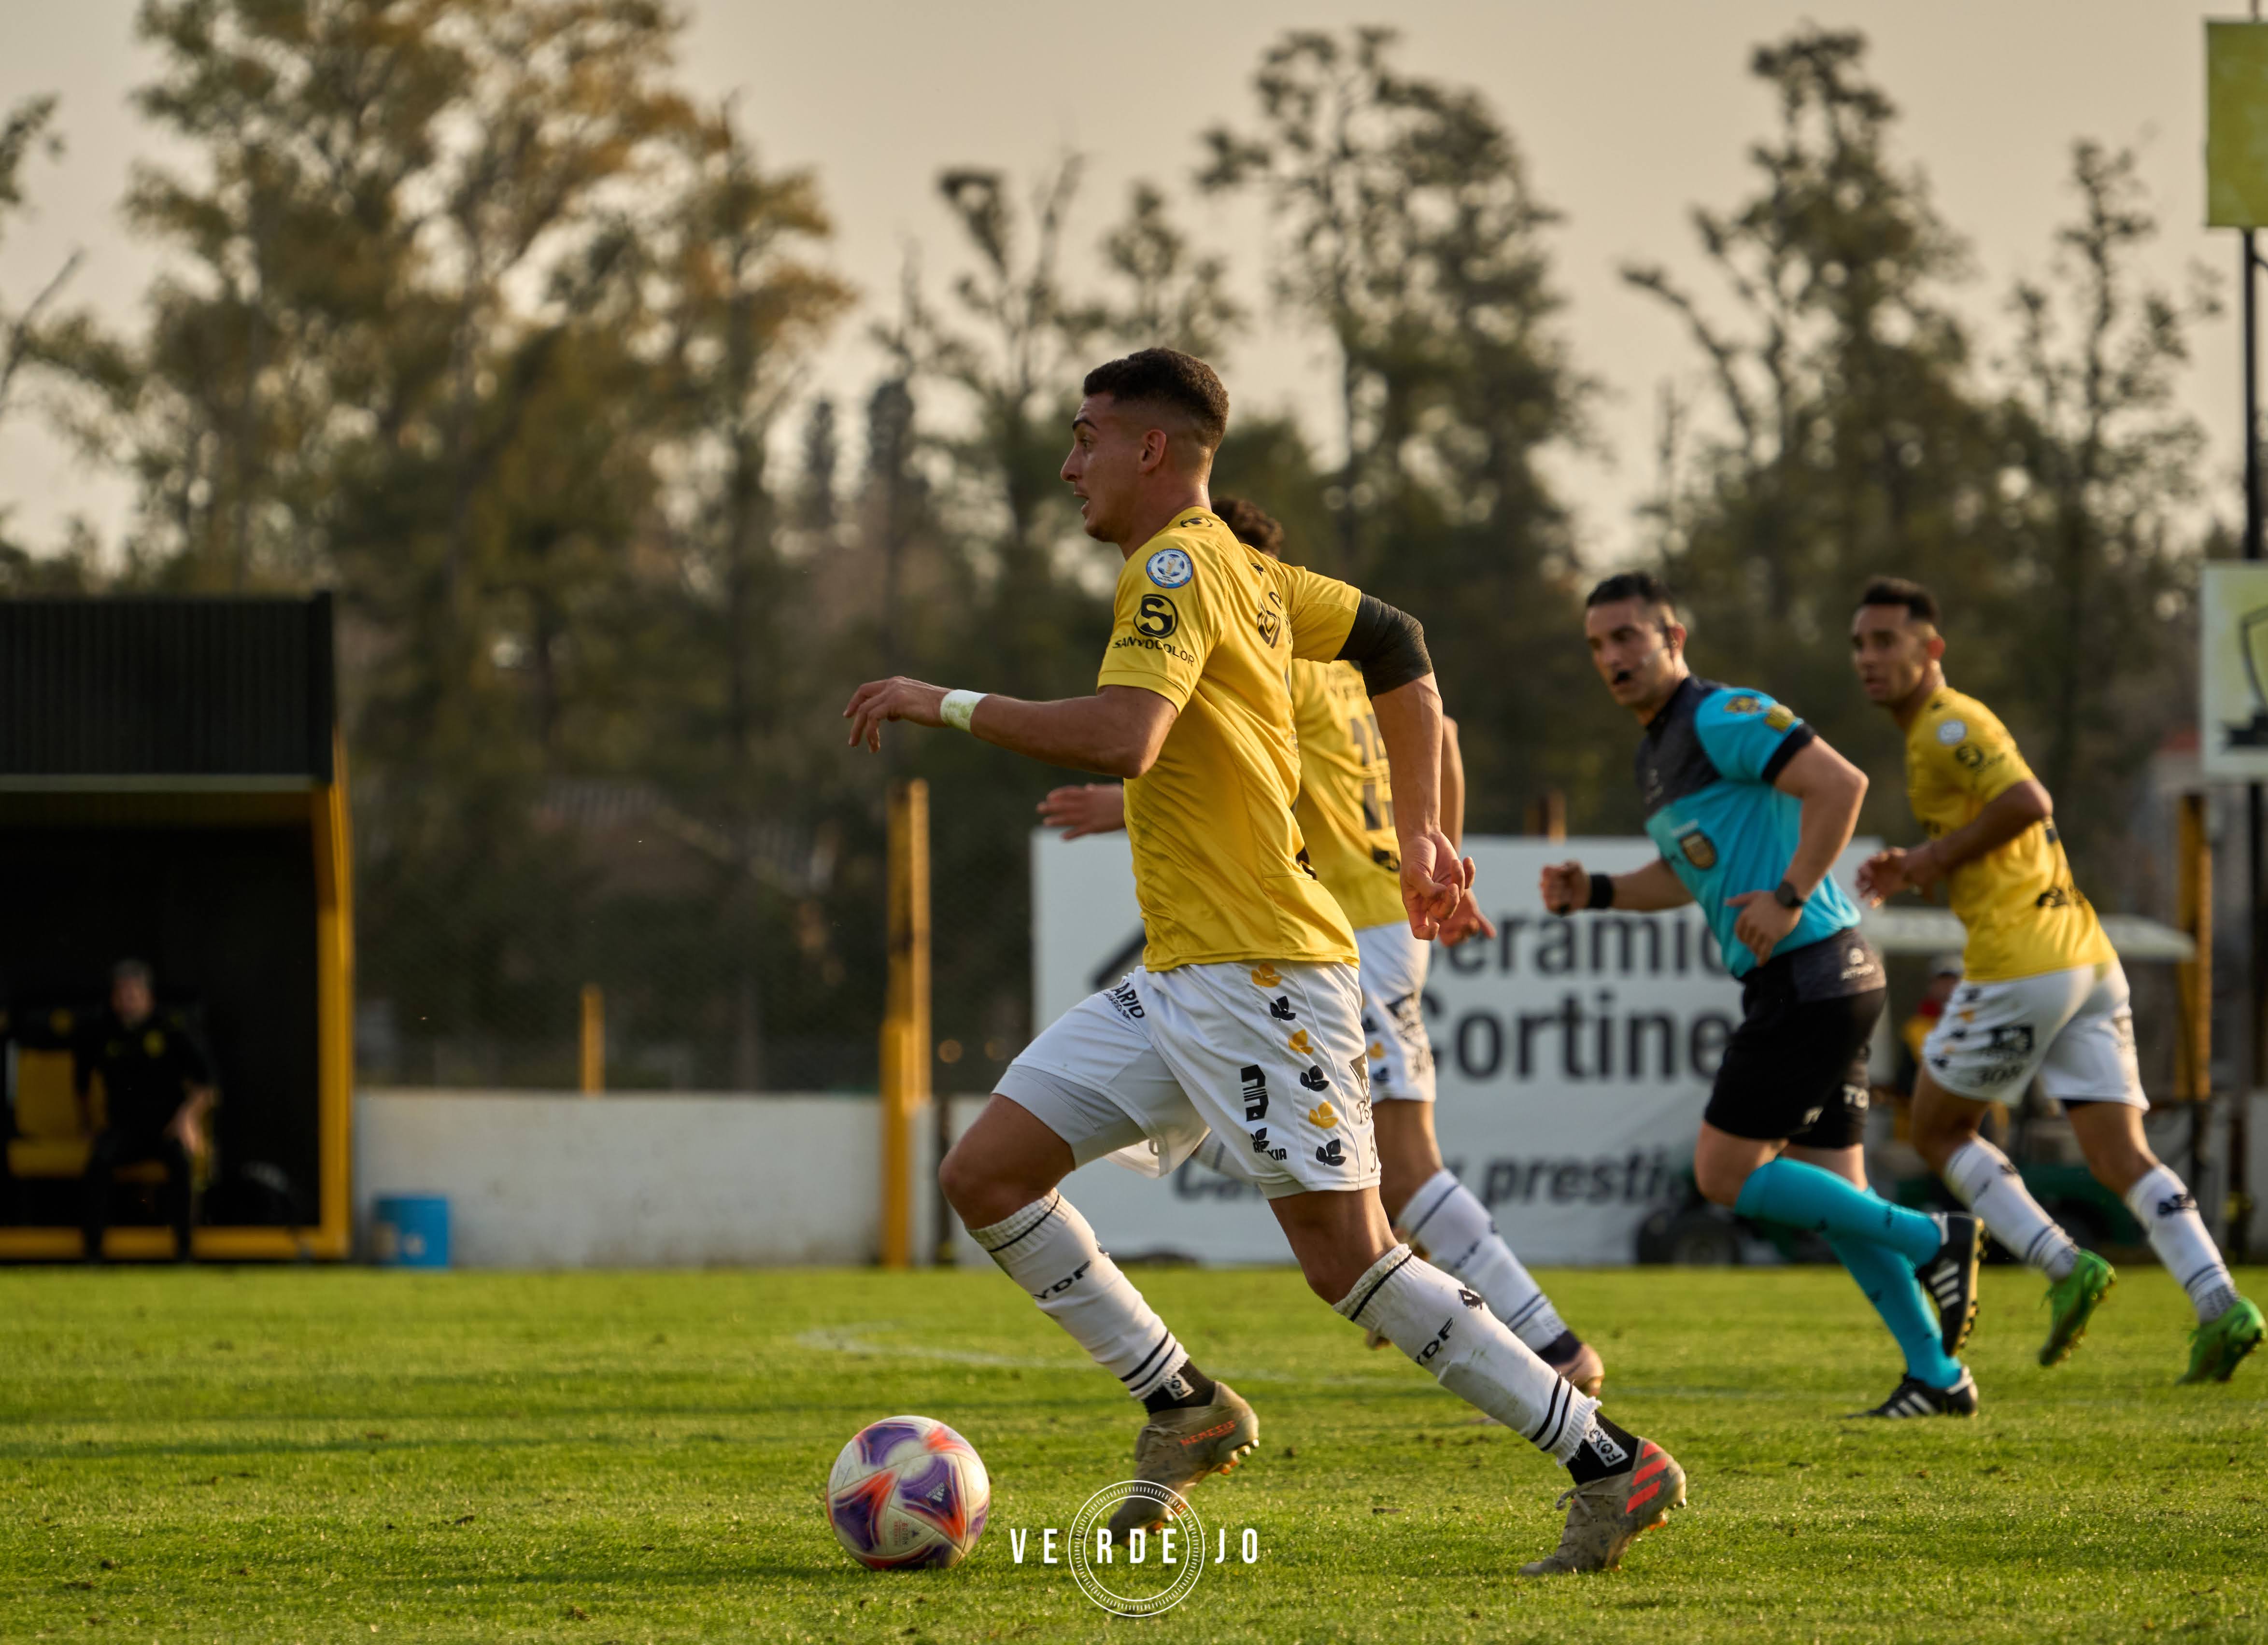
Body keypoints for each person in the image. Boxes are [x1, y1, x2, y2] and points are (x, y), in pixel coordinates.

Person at [845, 349, 1685, 1576]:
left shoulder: (1176, 563)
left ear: (1152, 449)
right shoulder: (1251, 573)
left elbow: (1127, 739)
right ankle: (1182, 1401)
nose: (1069, 464)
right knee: (984, 1170)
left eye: (1086, 437)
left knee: (1349, 1259)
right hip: (1187, 974)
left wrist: (943, 700)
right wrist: (1419, 831)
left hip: (1262, 978)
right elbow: (1397, 643)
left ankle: (1608, 1459)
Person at [1038, 494, 1607, 1398]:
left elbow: (1250, 775)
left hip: (1342, 926)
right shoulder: (1341, 665)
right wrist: (1435, 842)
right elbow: (1443, 734)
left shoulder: (1278, 663)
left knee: (1405, 1165)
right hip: (1378, 918)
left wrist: (1119, 802)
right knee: (1325, 1154)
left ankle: (1553, 1344)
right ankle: (1459, 1306)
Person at [1541, 572, 1984, 1420]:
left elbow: (1840, 785)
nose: (1613, 657)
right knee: (1834, 1193)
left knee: (1722, 1172)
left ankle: (1935, 1237)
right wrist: (1593, 890)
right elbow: (1686, 870)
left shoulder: (1719, 714)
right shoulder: (1658, 751)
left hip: (1810, 972)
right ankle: (1935, 1372)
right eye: (1599, 644)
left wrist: (1788, 893)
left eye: (1630, 636)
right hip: (1821, 978)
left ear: (1675, 637)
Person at [1850, 576, 2263, 1382]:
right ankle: (2221, 1304)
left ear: (1930, 649)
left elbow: (2027, 800)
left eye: (1887, 641)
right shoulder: (1930, 733)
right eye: (1860, 644)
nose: (1869, 658)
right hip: (2084, 955)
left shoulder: (1948, 722)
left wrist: (1931, 856)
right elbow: (2001, 832)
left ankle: (2063, 1264)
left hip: (2022, 961)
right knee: (2119, 1152)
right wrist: (1923, 864)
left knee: (1937, 1129)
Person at [78, 959, 213, 1262]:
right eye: (121, 995)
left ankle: (184, 1252)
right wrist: (86, 1124)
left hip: (165, 1127)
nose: (127, 1002)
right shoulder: (101, 1031)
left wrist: (187, 1117)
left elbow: (207, 1083)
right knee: (98, 1162)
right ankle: (93, 1253)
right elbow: (81, 1084)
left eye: (133, 995)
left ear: (147, 997)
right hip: (124, 1128)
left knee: (181, 1163)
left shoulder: (171, 1028)